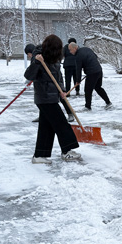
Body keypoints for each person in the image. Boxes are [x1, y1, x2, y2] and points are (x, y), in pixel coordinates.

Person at [24, 35, 82, 164]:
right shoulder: (39, 56)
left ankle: (39, 155)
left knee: (47, 127)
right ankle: (67, 151)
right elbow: (28, 75)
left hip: (52, 97)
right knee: (61, 124)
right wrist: (37, 62)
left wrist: (62, 90)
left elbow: (58, 76)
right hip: (44, 97)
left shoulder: (54, 58)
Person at [25, 43, 74, 123]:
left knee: (61, 97)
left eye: (28, 54)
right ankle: (43, 115)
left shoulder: (41, 55)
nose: (28, 56)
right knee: (43, 99)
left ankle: (70, 113)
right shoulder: (38, 56)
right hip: (47, 82)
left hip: (53, 80)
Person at [69, 42, 112, 110]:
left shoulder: (78, 56)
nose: (70, 52)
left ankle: (87, 106)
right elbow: (95, 56)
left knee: (88, 90)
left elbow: (78, 69)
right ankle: (108, 102)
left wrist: (77, 81)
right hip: (99, 70)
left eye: (70, 50)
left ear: (75, 48)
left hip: (92, 72)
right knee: (98, 87)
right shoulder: (86, 49)